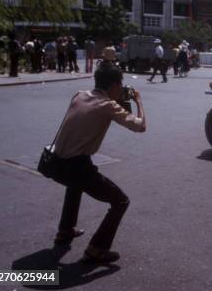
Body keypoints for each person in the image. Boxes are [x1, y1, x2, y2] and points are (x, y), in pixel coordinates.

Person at [52, 63, 146, 263]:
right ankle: (96, 248)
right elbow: (140, 126)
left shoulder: (79, 95)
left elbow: (90, 113)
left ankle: (65, 231)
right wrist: (138, 100)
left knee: (74, 185)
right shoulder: (108, 106)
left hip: (57, 161)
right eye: (120, 85)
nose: (121, 89)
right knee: (121, 201)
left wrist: (116, 100)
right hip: (78, 165)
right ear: (113, 85)